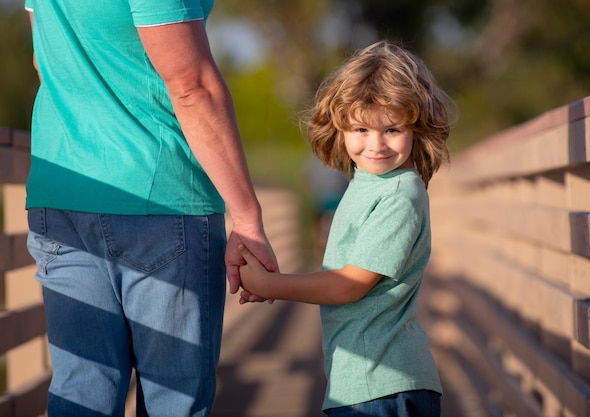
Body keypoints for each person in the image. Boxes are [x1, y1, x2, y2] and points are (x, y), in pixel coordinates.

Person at [24, 0, 277, 416]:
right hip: (159, 196)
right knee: (173, 400)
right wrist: (247, 218)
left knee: (81, 393)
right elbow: (191, 86)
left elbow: (44, 59)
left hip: (62, 192)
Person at [237, 41, 452, 417]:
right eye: (361, 128)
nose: (376, 144)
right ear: (339, 127)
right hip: (366, 383)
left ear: (417, 127)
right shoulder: (366, 182)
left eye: (393, 129)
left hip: (385, 386)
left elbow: (350, 284)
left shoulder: (400, 194)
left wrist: (272, 285)